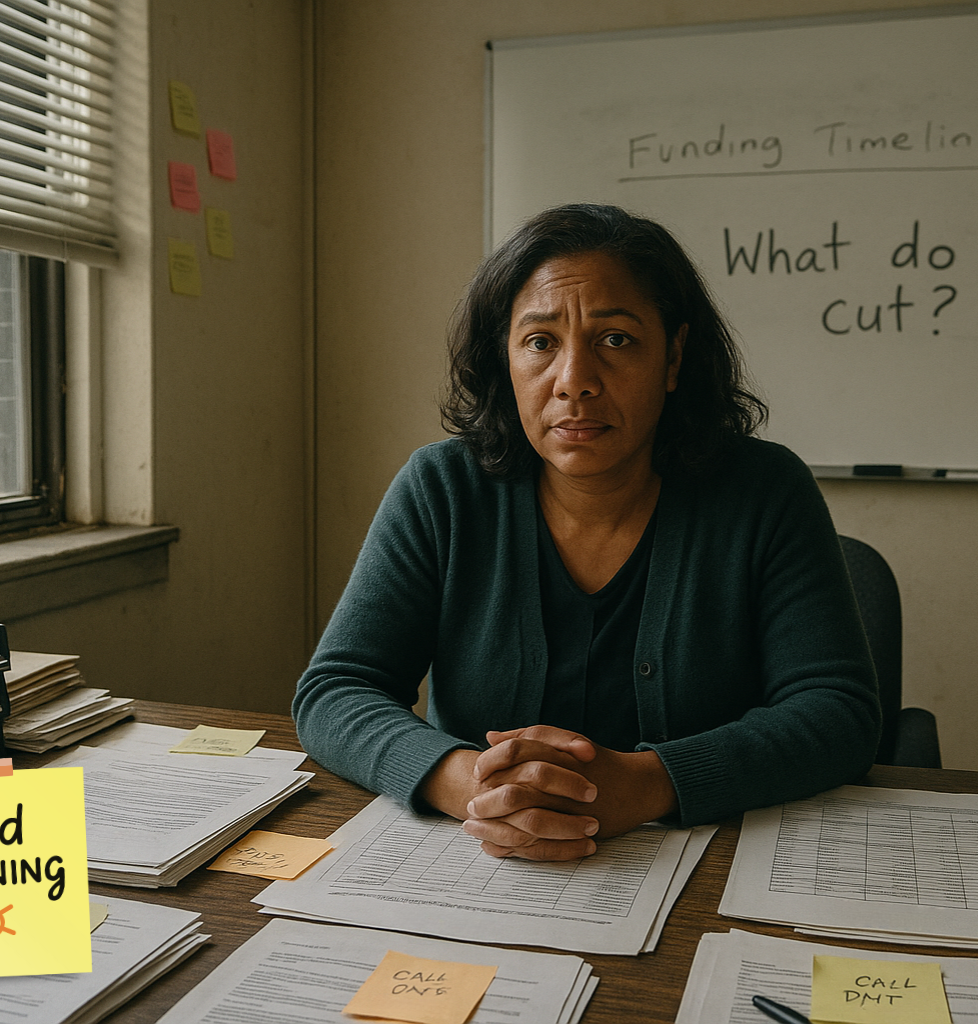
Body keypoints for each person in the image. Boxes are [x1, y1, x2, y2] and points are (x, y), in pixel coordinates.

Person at [293, 203, 880, 861]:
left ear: (674, 356)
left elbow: (838, 711)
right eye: (540, 342)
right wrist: (467, 783)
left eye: (616, 340)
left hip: (702, 868)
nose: (575, 381)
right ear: (504, 358)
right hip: (480, 868)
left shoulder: (763, 491)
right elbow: (335, 693)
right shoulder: (442, 491)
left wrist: (652, 783)